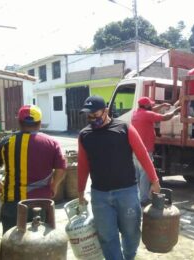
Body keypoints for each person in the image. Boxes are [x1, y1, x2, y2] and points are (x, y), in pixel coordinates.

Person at [77, 95, 160, 260]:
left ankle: (129, 256)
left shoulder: (124, 128)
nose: (92, 118)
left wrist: (154, 180)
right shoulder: (85, 135)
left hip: (127, 193)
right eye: (88, 115)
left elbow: (143, 155)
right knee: (107, 237)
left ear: (106, 111)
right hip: (100, 196)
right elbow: (83, 166)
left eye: (95, 114)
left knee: (132, 233)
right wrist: (80, 192)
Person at [0, 105, 66, 234]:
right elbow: (61, 169)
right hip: (42, 203)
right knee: (40, 244)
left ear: (19, 122)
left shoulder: (6, 142)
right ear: (40, 123)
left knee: (12, 244)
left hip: (13, 204)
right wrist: (54, 185)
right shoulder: (52, 143)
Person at [131, 97, 180, 206]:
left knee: (138, 175)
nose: (152, 106)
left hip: (135, 150)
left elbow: (151, 110)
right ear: (146, 106)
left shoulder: (136, 113)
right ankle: (143, 199)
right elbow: (165, 117)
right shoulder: (147, 115)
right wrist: (175, 111)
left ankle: (137, 197)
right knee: (144, 175)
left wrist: (162, 106)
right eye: (150, 105)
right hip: (145, 150)